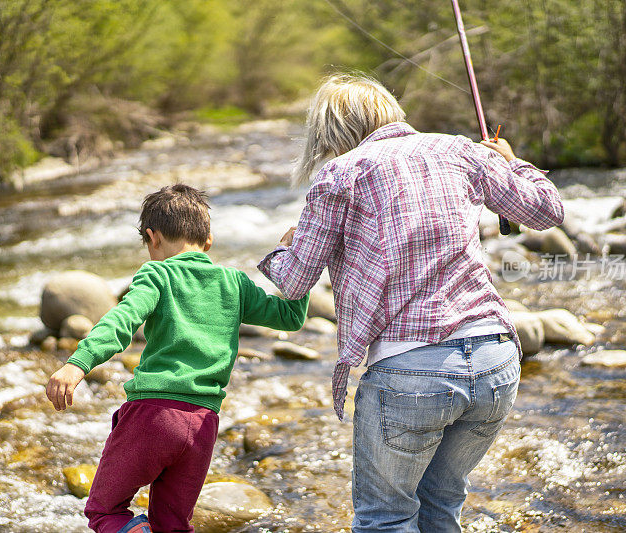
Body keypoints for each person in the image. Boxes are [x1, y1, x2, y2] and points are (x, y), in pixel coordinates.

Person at [257, 74, 564, 532]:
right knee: (440, 505)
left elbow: (297, 281)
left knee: (385, 519)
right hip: (496, 360)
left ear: (331, 132)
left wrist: (282, 249)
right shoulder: (460, 149)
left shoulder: (341, 173)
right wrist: (512, 162)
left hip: (411, 372)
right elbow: (547, 210)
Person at [46, 184, 309, 533]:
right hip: (202, 425)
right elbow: (290, 317)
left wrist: (78, 362)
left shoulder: (157, 274)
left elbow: (121, 321)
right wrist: (295, 259)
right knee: (172, 525)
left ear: (152, 238)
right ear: (208, 240)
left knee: (106, 511)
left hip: (153, 415)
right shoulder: (233, 282)